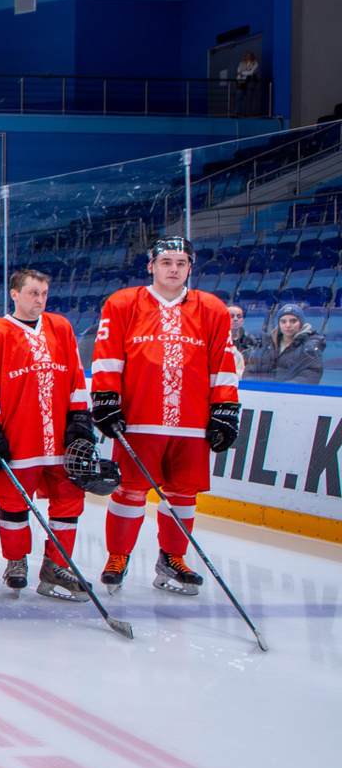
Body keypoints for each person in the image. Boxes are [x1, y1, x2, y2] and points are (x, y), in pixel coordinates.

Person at [90, 237, 239, 595]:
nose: (174, 269)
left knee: (184, 492)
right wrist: (106, 399)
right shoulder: (123, 302)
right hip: (139, 417)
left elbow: (223, 363)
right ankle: (118, 556)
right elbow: (107, 353)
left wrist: (225, 409)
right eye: (166, 262)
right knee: (130, 489)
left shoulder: (212, 308)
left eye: (181, 263)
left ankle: (173, 557)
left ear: (190, 267)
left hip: (193, 419)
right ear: (151, 266)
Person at [0, 269, 96, 598]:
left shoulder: (60, 327)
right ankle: (16, 561)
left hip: (59, 437)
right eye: (32, 293)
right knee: (14, 501)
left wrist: (80, 417)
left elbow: (75, 375)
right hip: (18, 435)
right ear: (14, 294)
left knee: (69, 499)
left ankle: (57, 566)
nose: (39, 299)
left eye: (43, 293)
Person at [248, 303, 325, 384]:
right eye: (283, 321)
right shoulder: (266, 344)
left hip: (290, 391)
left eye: (293, 321)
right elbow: (249, 370)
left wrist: (281, 389)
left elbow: (310, 375)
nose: (288, 325)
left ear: (301, 323)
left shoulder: (310, 347)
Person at [225, 302, 255, 378]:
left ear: (242, 320)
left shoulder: (252, 341)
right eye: (231, 316)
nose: (235, 319)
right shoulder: (216, 341)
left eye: (239, 316)